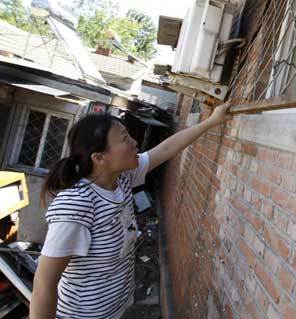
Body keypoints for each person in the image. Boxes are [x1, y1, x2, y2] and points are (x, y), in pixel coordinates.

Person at [29, 101, 233, 319]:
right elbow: (44, 283)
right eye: (125, 139)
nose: (135, 143)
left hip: (115, 308)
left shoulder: (122, 178)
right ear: (99, 158)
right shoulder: (76, 205)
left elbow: (166, 149)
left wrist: (212, 122)